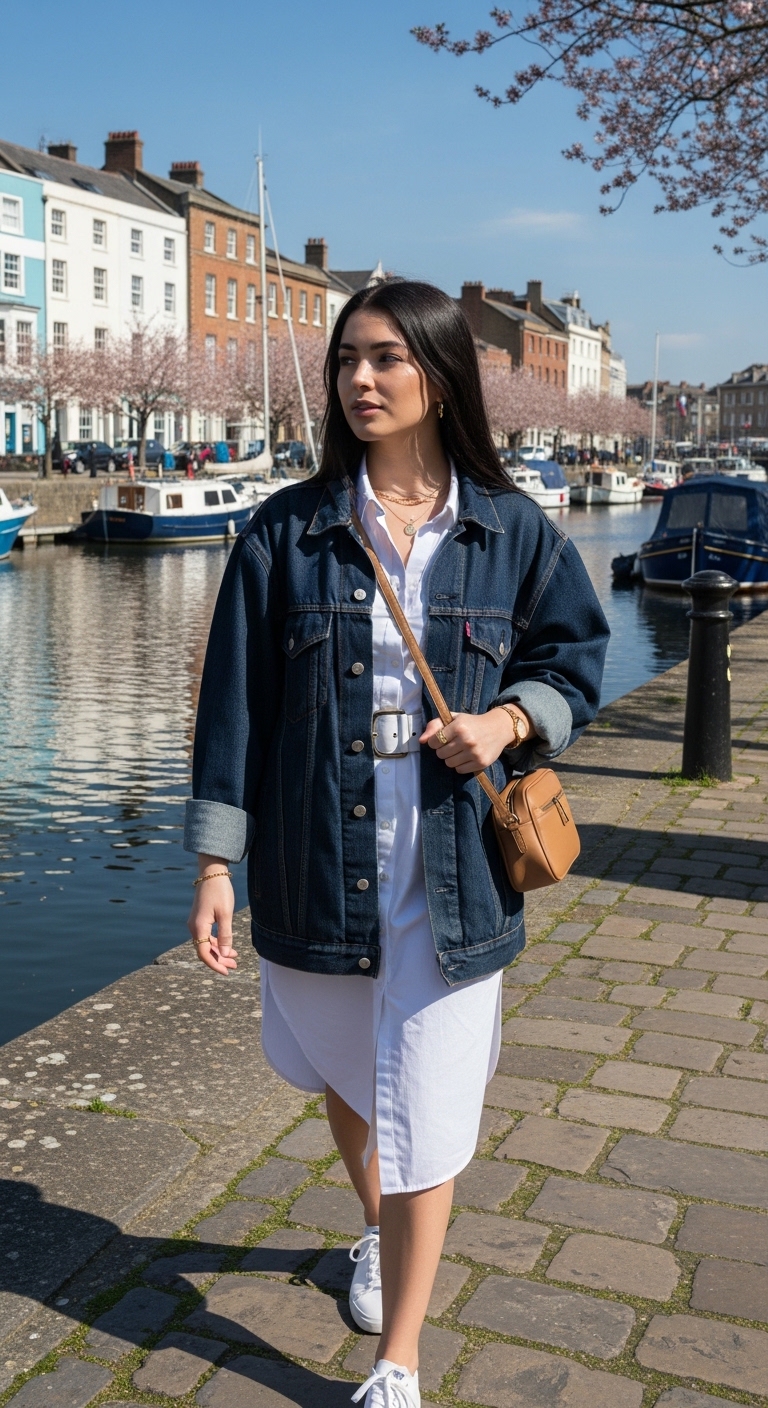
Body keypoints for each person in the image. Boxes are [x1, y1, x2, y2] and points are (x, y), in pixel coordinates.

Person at [185, 281, 608, 1408]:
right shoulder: (288, 528)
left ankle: (399, 1360)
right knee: (351, 1074)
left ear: (439, 374)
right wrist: (217, 862)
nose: (359, 380)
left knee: (424, 1100)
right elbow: (235, 705)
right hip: (317, 857)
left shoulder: (511, 529)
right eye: (344, 360)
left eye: (384, 358)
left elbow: (575, 662)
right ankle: (376, 1227)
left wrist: (508, 721)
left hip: (453, 864)